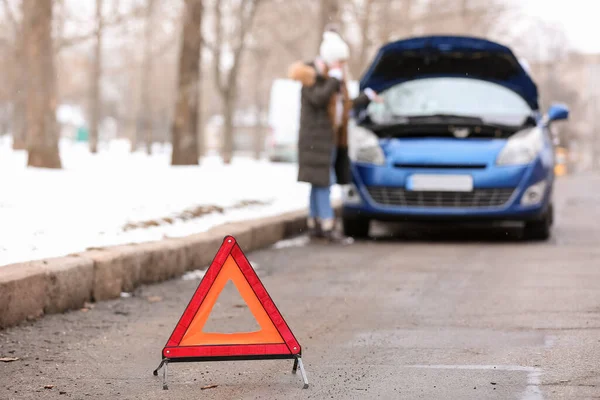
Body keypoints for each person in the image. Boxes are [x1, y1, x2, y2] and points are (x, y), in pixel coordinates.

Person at [288, 30, 381, 243]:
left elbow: (343, 106)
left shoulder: (330, 78)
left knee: (319, 182)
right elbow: (319, 99)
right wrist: (334, 81)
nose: (341, 66)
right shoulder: (311, 76)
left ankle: (316, 223)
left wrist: (365, 97)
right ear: (330, 59)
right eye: (339, 61)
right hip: (315, 141)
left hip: (328, 140)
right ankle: (327, 224)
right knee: (323, 182)